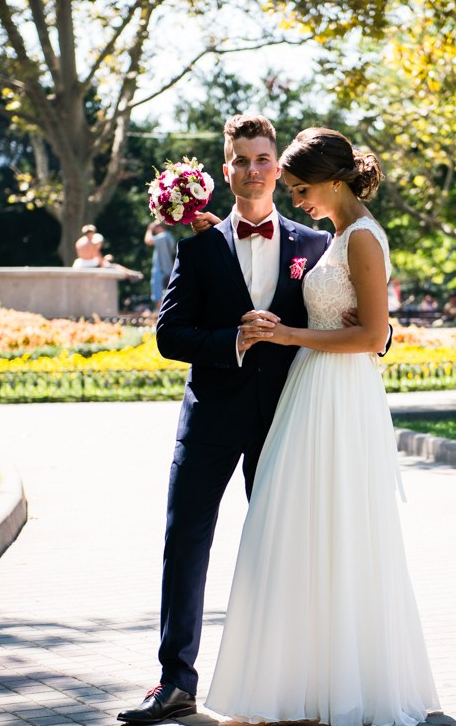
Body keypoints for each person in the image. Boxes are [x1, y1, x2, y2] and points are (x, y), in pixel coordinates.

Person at [206, 127, 439, 725]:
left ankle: (343, 686)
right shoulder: (339, 235)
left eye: (301, 189)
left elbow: (372, 336)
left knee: (337, 527)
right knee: (298, 527)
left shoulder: (362, 238)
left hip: (339, 394)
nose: (296, 200)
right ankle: (302, 685)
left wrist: (288, 335)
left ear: (333, 181)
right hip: (312, 389)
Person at [117, 115, 333, 725]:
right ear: (225, 169)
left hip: (284, 421)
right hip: (209, 418)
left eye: (263, 159)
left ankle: (288, 683)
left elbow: (340, 320)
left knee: (283, 547)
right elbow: (170, 335)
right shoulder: (200, 247)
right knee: (185, 543)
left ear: (278, 167)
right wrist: (232, 340)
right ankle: (175, 683)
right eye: (241, 159)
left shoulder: (314, 245)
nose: (253, 169)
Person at [143, 222, 177, 310]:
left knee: (158, 295)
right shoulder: (169, 237)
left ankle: (160, 313)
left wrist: (149, 229)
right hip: (169, 270)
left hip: (161, 270)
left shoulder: (163, 236)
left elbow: (148, 241)